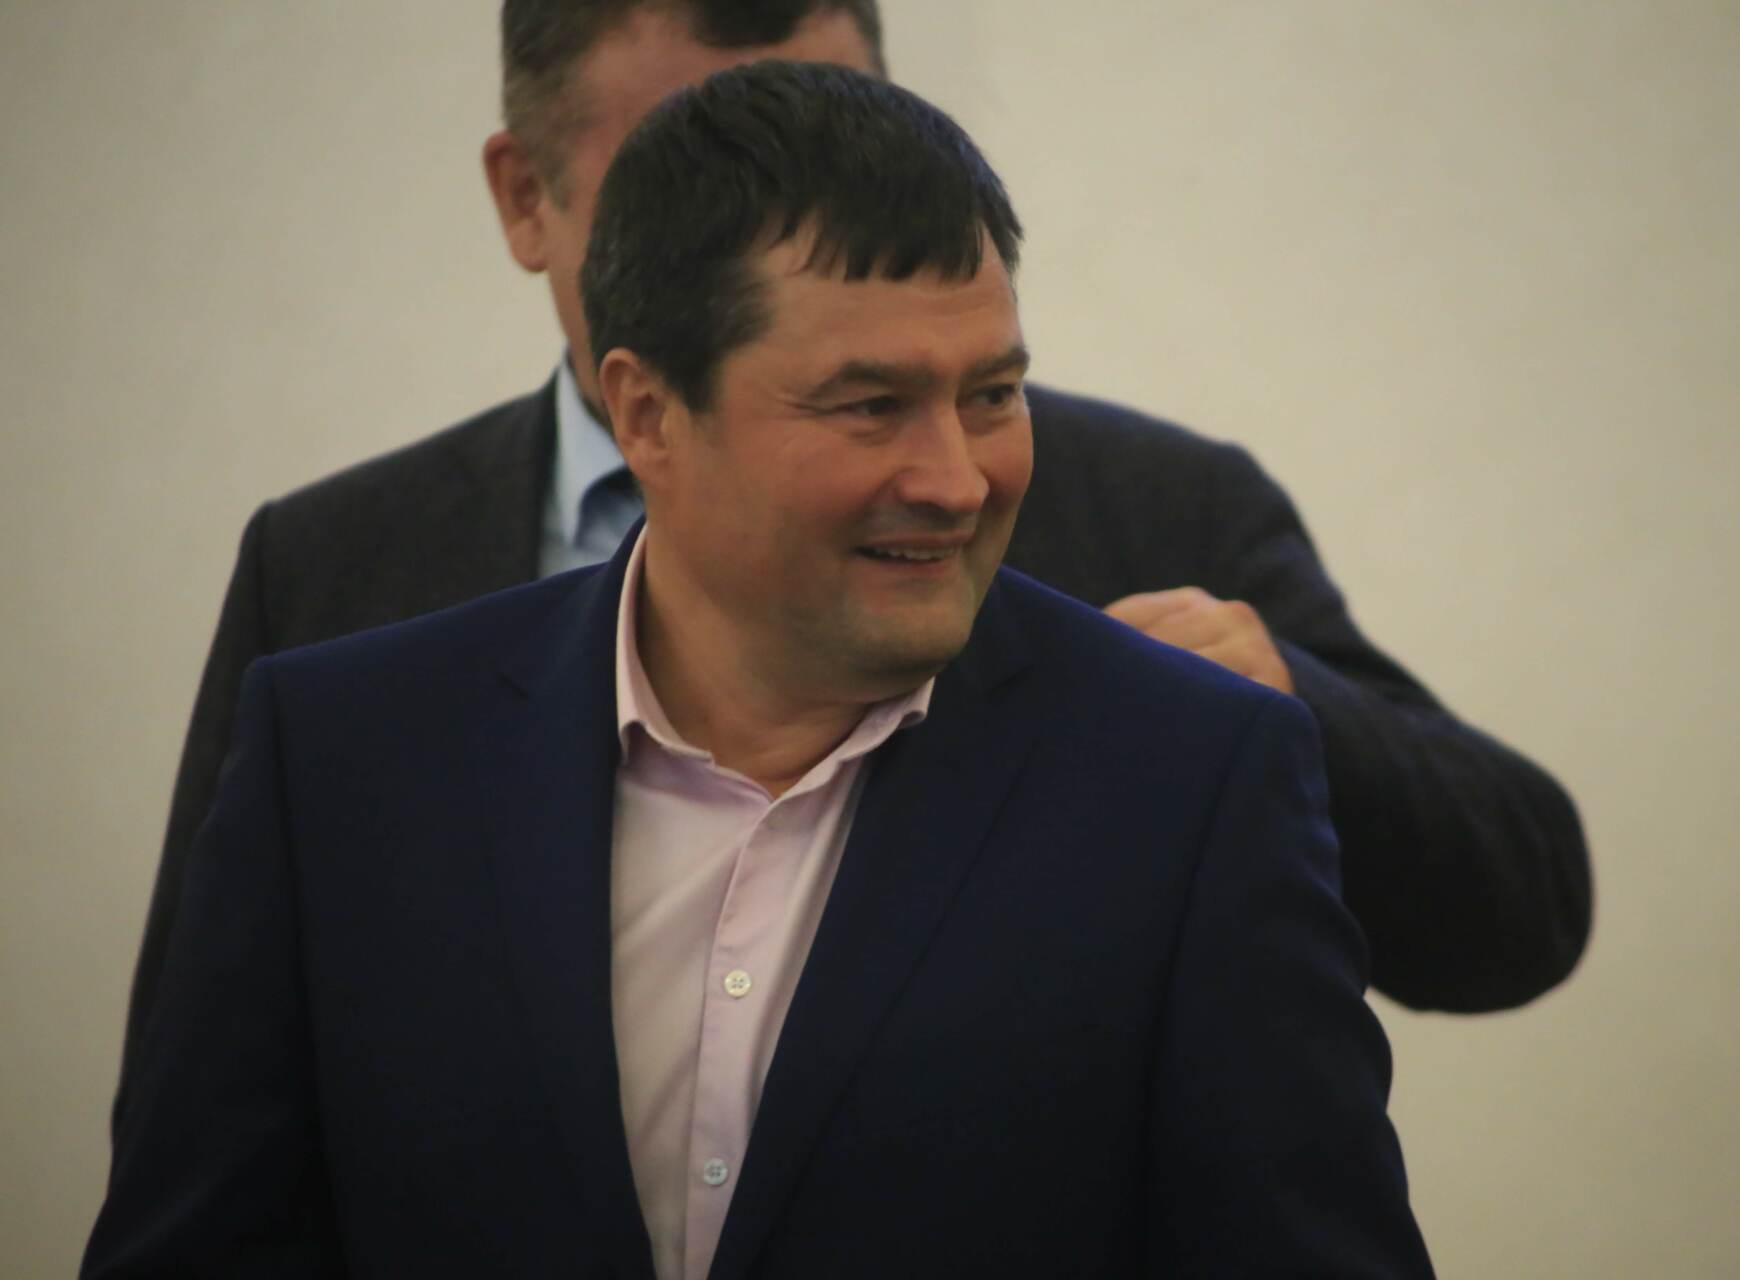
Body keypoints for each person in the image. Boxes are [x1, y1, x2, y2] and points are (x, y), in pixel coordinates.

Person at [86, 62, 1434, 1278]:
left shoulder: (1191, 781)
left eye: (991, 394)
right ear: (649, 414)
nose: (956, 478)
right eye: (870, 406)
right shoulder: (345, 757)